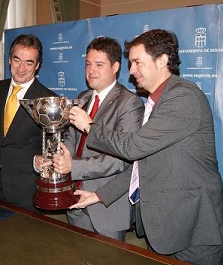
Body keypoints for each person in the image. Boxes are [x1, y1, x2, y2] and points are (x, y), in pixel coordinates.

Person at [68, 29, 223, 264]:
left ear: (162, 60)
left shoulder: (183, 97)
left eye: (137, 62)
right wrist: (100, 195)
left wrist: (90, 126)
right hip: (165, 228)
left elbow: (133, 147)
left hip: (194, 228)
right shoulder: (157, 102)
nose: (131, 71)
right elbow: (143, 164)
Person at [35, 36, 144, 241]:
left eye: (99, 65)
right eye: (88, 64)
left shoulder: (129, 103)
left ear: (115, 67)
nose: (91, 70)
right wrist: (55, 158)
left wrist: (73, 167)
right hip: (74, 199)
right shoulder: (83, 97)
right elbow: (71, 140)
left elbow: (121, 159)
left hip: (105, 206)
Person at [0, 34, 57, 213]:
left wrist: (42, 160)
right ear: (9, 60)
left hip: (27, 188)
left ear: (37, 65)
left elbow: (53, 146)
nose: (21, 68)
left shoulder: (48, 100)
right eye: (17, 60)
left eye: (29, 62)